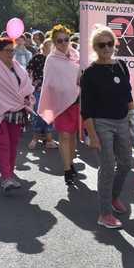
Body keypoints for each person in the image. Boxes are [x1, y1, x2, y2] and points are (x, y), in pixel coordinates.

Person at [80, 26, 133, 229]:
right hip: (101, 124)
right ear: (95, 47)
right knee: (108, 166)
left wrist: (132, 120)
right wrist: (92, 135)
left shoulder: (121, 66)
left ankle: (112, 197)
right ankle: (104, 214)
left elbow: (128, 96)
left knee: (127, 163)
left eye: (110, 44)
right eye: (102, 45)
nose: (107, 48)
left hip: (122, 121)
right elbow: (86, 110)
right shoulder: (90, 73)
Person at [0, 37, 35, 192]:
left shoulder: (18, 68)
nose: (11, 53)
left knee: (13, 144)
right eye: (8, 50)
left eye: (13, 50)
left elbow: (27, 87)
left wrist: (27, 98)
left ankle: (8, 172)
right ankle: (6, 178)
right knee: (3, 144)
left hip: (16, 113)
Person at [38, 25, 81, 185]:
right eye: (59, 41)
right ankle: (67, 169)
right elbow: (48, 82)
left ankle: (71, 162)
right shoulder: (51, 59)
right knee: (64, 135)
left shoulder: (77, 55)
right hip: (61, 103)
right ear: (54, 42)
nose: (63, 43)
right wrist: (60, 88)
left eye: (66, 39)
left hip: (77, 101)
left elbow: (82, 75)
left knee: (73, 136)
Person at [26, 39, 58, 150]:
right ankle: (35, 138)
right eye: (49, 46)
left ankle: (49, 140)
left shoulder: (55, 59)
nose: (52, 49)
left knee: (48, 116)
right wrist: (31, 83)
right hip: (38, 90)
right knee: (37, 115)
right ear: (43, 47)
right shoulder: (37, 57)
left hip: (50, 91)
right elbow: (28, 71)